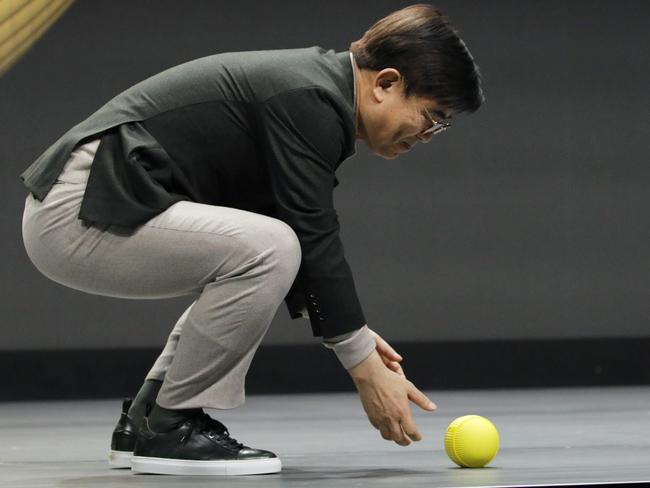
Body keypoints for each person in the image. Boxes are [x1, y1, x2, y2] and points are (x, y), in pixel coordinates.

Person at [19, 3, 483, 476]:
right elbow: (310, 230)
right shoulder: (310, 97)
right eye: (432, 116)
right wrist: (360, 360)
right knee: (269, 246)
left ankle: (147, 420)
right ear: (386, 83)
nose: (429, 135)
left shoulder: (317, 91)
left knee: (264, 246)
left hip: (92, 206)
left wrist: (357, 338)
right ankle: (172, 428)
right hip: (79, 210)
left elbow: (301, 231)